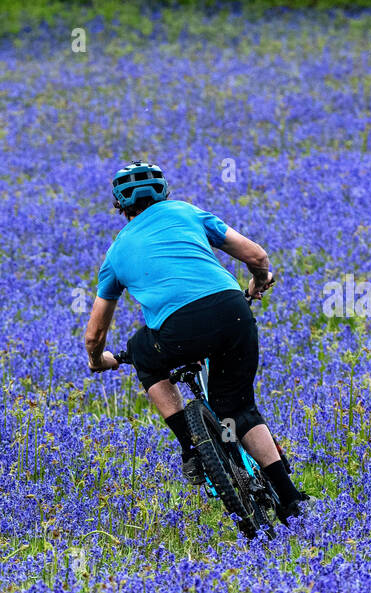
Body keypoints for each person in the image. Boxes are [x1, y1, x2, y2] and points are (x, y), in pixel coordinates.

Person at [83, 161, 308, 522]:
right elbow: (258, 256)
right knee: (239, 408)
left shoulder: (115, 254)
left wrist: (98, 360)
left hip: (177, 330)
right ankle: (292, 500)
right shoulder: (188, 213)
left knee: (143, 352)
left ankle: (191, 447)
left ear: (120, 207)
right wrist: (258, 282)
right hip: (232, 310)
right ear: (164, 193)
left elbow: (95, 333)